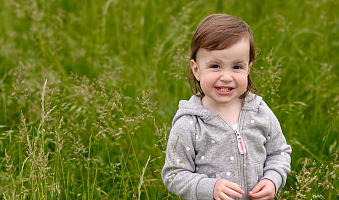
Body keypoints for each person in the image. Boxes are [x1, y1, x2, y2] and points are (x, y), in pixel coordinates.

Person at [161, 14, 291, 200]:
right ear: (196, 70)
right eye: (215, 66)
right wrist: (209, 188)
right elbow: (174, 174)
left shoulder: (259, 111)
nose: (227, 77)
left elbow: (279, 152)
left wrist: (273, 179)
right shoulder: (190, 123)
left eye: (237, 67)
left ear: (248, 68)